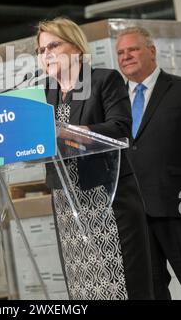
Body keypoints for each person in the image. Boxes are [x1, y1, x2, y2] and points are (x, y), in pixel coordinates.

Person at [36, 17, 153, 300]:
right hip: (68, 206)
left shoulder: (103, 79)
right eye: (41, 50)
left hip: (106, 200)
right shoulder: (43, 95)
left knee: (122, 286)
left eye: (54, 45)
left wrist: (73, 132)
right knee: (83, 288)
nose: (46, 54)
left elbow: (120, 130)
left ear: (76, 48)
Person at [116, 26, 181, 300]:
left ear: (151, 51)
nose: (126, 56)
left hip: (178, 206)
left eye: (132, 49)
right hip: (135, 215)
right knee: (150, 291)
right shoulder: (113, 101)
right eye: (120, 53)